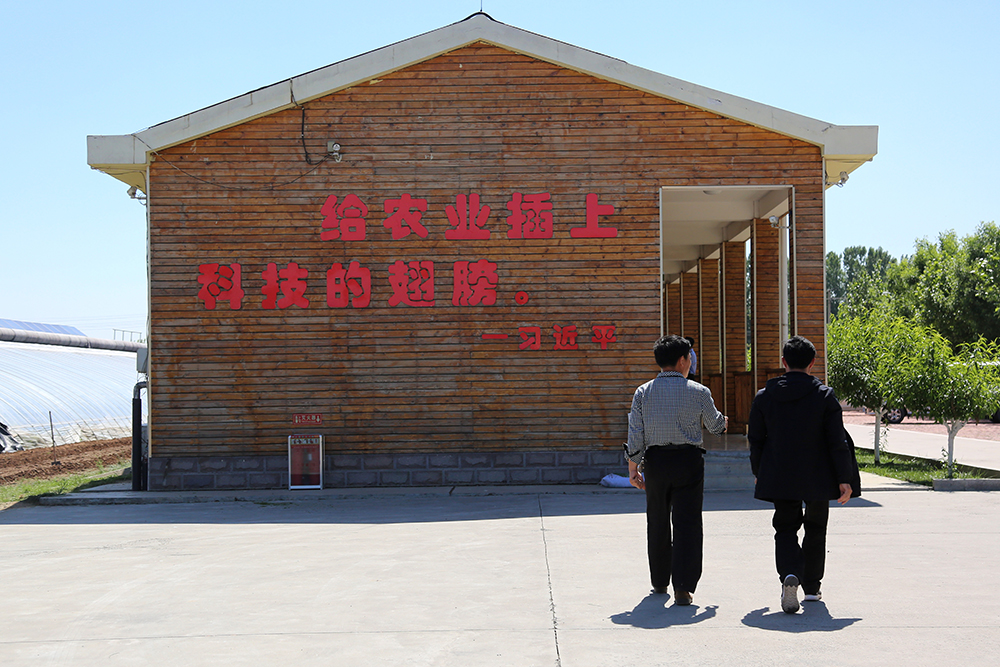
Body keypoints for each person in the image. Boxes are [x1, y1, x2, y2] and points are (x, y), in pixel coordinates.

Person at [747, 335, 860, 614]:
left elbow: (756, 440)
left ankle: (789, 574)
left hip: (780, 473)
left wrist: (759, 471)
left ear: (783, 362)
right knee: (816, 528)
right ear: (812, 363)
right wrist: (844, 478)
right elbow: (837, 441)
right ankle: (811, 587)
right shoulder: (824, 396)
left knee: (785, 528)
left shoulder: (764, 396)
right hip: (819, 475)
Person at [625, 334, 728, 605]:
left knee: (657, 521)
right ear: (682, 360)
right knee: (688, 523)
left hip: (656, 462)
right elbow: (716, 426)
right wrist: (724, 422)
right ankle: (683, 586)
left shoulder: (643, 392)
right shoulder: (699, 391)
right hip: (688, 461)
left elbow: (635, 434)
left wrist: (633, 468)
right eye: (689, 357)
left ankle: (660, 581)